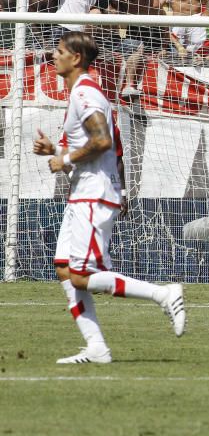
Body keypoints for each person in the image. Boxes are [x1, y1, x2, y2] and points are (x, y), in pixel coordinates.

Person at [32, 31, 186, 364]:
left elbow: (101, 141)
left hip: (92, 194)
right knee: (64, 269)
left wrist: (65, 159)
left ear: (75, 59)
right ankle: (96, 347)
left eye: (59, 51)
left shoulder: (85, 93)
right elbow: (111, 147)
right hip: (87, 193)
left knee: (82, 276)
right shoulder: (86, 92)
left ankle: (163, 293)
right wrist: (56, 150)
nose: (53, 56)